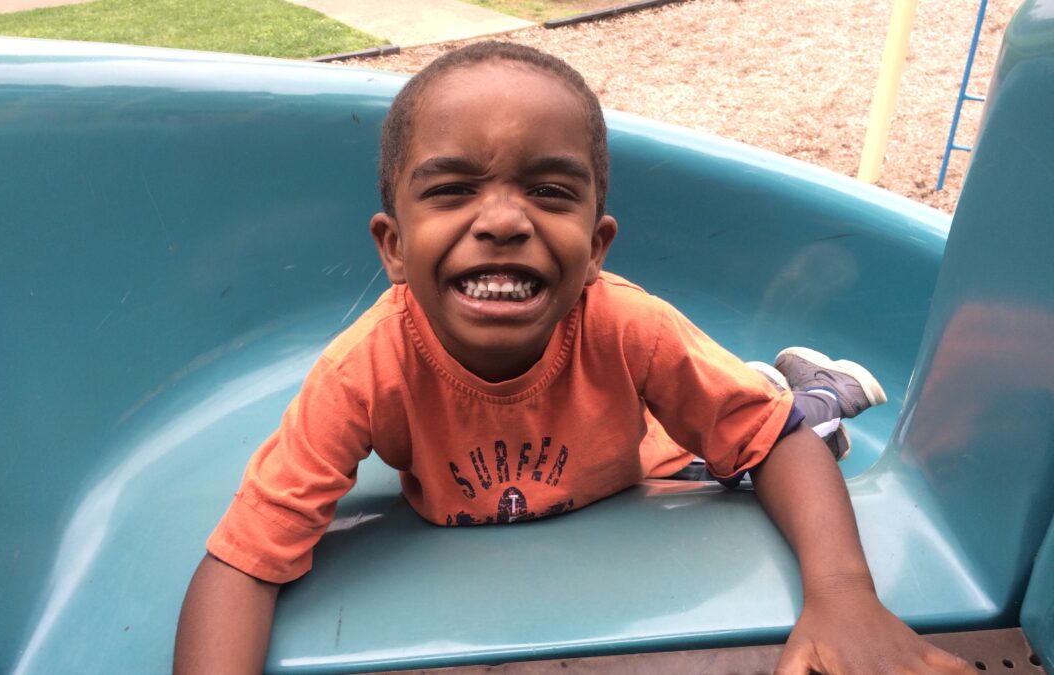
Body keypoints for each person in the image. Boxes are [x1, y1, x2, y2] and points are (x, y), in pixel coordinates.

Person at [173, 41, 973, 674]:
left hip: (665, 466)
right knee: (739, 404)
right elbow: (242, 560)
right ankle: (769, 379)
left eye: (550, 193)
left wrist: (842, 597)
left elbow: (774, 441)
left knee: (787, 430)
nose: (502, 220)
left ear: (595, 248)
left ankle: (814, 386)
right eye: (451, 190)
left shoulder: (627, 325)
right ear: (393, 246)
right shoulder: (366, 369)